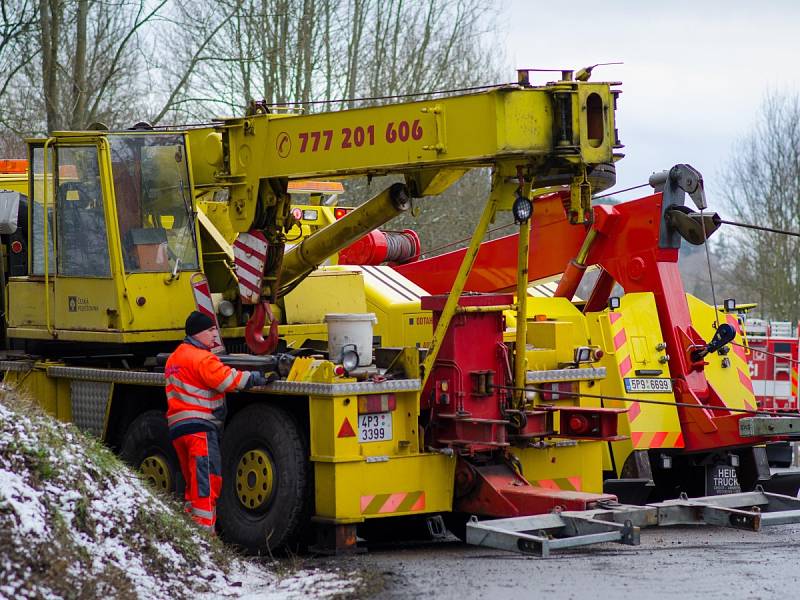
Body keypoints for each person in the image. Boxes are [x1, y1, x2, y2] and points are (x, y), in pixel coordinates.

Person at [165, 311, 268, 531]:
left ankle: (190, 533)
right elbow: (227, 379)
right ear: (198, 333)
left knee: (192, 485)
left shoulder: (174, 358)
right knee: (206, 484)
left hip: (179, 431)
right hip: (199, 431)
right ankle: (205, 538)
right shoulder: (202, 358)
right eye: (210, 331)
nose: (215, 336)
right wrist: (256, 378)